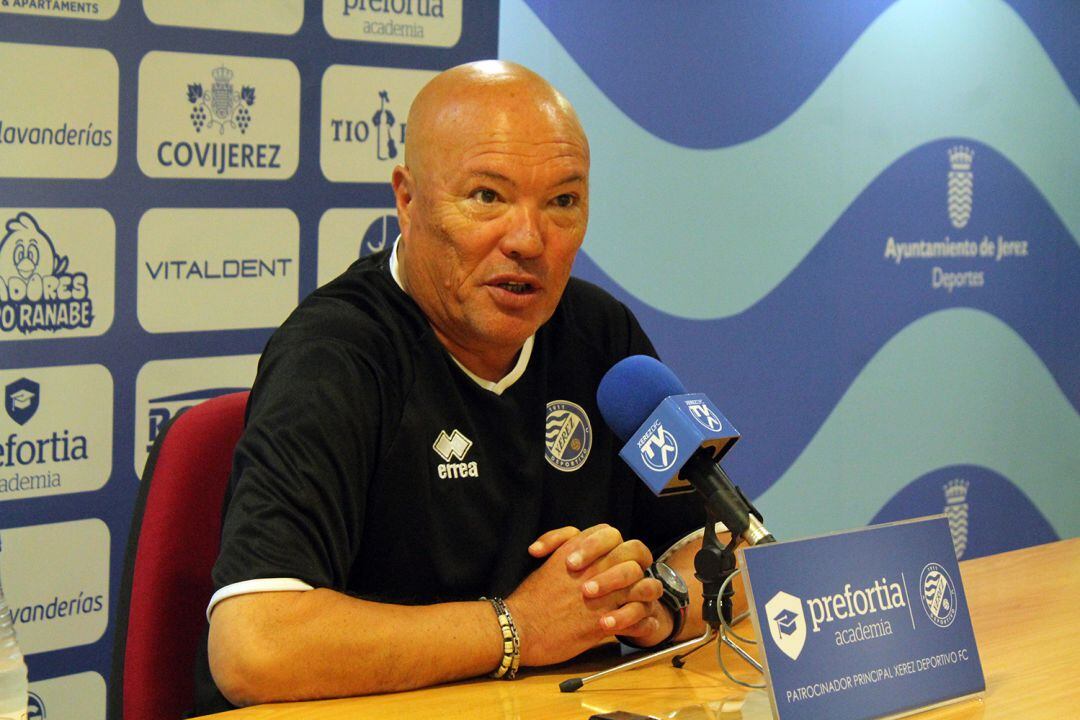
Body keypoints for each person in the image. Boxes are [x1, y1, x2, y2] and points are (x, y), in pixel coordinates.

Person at [194, 60, 739, 714]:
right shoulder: (335, 354)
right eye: (487, 196)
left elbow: (728, 551)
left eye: (563, 201)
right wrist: (516, 628)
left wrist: (659, 605)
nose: (529, 240)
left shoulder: (603, 338)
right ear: (407, 197)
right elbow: (254, 646)